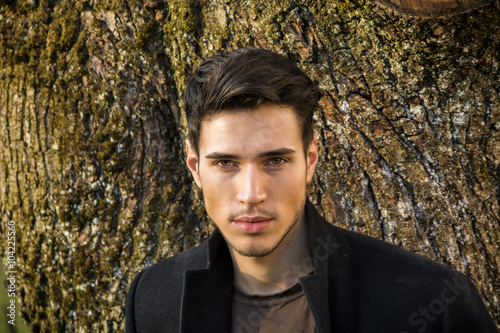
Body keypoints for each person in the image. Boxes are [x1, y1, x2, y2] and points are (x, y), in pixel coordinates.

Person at [125, 48, 498, 333]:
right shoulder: (154, 298)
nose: (251, 193)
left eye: (275, 161)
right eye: (226, 163)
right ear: (195, 167)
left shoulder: (432, 300)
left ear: (311, 160)